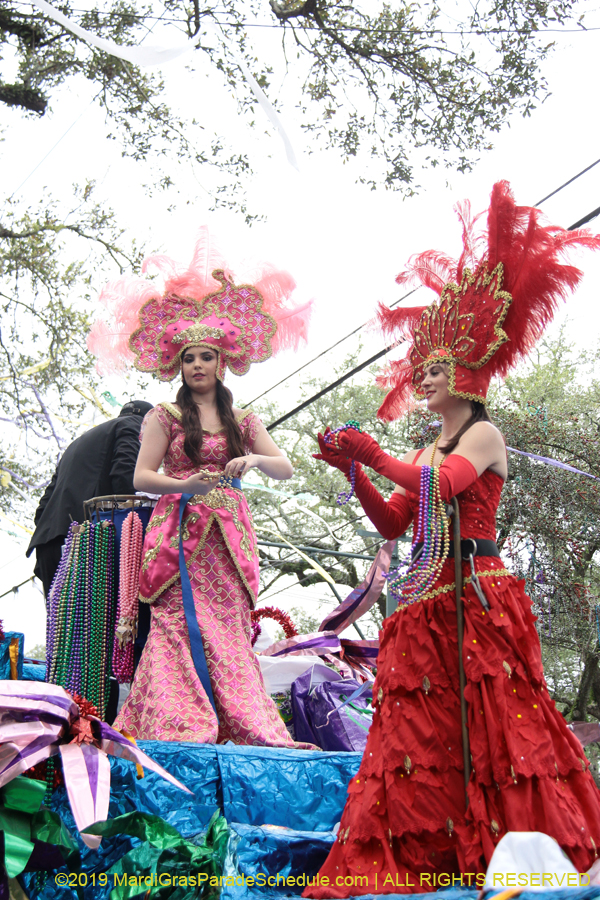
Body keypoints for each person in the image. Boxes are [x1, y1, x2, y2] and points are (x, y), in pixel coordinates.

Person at [307, 182, 600, 896]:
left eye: (437, 368)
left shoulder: (482, 434)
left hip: (475, 593)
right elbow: (397, 522)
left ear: (468, 373)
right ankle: (431, 853)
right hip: (425, 598)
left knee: (497, 724)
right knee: (422, 734)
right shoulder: (426, 444)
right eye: (424, 367)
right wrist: (357, 473)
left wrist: (376, 456)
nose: (426, 377)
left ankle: (518, 851)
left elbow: (446, 488)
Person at [89, 228, 313, 745]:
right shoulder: (164, 417)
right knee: (174, 625)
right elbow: (140, 478)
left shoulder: (244, 418)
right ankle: (176, 724)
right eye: (188, 358)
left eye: (205, 357)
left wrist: (250, 459)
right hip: (178, 534)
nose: (197, 366)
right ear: (178, 364)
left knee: (229, 627)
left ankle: (247, 726)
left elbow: (286, 469)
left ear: (222, 361)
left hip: (229, 540)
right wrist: (186, 486)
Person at [27, 400, 154, 597]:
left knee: (60, 625)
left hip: (48, 543)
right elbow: (125, 479)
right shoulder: (134, 426)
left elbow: (43, 505)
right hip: (90, 538)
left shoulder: (77, 443)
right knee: (102, 623)